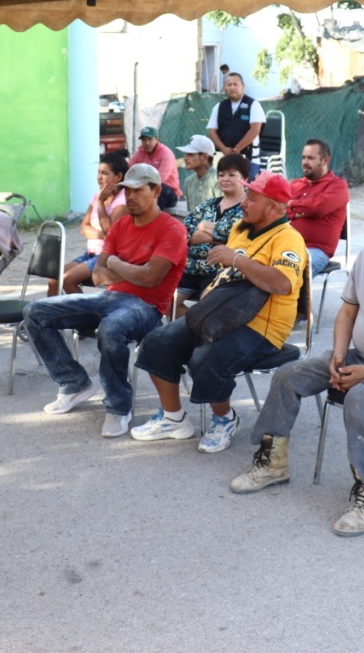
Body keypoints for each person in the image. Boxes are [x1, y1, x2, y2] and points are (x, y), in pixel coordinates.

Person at [230, 185, 364, 536]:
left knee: (360, 397)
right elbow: (347, 311)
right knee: (288, 375)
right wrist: (337, 355)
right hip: (358, 356)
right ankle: (273, 464)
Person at [131, 171, 307, 453]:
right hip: (221, 313)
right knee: (157, 341)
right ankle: (173, 418)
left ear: (274, 207)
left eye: (252, 198)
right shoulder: (240, 228)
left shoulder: (289, 239)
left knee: (206, 358)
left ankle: (225, 419)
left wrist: (235, 259)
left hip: (262, 327)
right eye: (247, 195)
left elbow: (282, 283)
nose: (244, 202)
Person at [24, 164, 188, 438]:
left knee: (111, 328)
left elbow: (151, 279)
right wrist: (132, 269)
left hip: (146, 307)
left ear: (156, 191)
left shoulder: (172, 229)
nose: (131, 196)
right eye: (127, 191)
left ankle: (118, 407)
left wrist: (115, 263)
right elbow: (99, 275)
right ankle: (73, 383)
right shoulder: (121, 225)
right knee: (34, 311)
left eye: (138, 190)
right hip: (109, 297)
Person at [174, 154, 250, 317]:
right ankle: (191, 325)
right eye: (221, 175)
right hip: (191, 268)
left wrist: (203, 226)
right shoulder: (208, 204)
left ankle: (195, 325)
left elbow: (236, 235)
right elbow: (183, 231)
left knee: (207, 309)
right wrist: (220, 235)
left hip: (221, 271)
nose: (225, 179)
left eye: (232, 175)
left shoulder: (248, 208)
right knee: (164, 300)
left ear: (245, 178)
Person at [49, 152, 128, 296]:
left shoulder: (122, 201)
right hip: (90, 254)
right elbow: (84, 228)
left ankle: (83, 310)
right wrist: (101, 234)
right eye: (98, 172)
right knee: (54, 279)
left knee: (67, 280)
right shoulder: (97, 195)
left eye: (105, 173)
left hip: (107, 256)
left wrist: (100, 203)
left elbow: (110, 232)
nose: (99, 177)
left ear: (118, 177)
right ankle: (49, 310)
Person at [287, 138, 350, 276]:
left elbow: (318, 207)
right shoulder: (296, 184)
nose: (305, 162)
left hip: (316, 250)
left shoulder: (338, 185)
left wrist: (292, 204)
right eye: (303, 157)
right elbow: (279, 208)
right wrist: (300, 210)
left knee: (288, 272)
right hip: (287, 245)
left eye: (310, 158)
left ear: (325, 160)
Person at [207, 72, 265, 162]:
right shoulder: (219, 106)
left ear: (243, 86)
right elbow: (212, 132)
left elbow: (255, 130)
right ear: (225, 87)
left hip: (248, 158)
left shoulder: (253, 105)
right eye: (229, 85)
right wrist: (224, 149)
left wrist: (236, 150)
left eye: (235, 84)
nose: (232, 87)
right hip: (222, 156)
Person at [128, 127, 181, 209]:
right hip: (145, 189)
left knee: (159, 189)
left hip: (168, 191)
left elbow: (160, 178)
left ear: (157, 140)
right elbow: (130, 172)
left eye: (150, 139)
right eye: (144, 140)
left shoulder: (166, 153)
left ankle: (154, 216)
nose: (147, 143)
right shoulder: (139, 153)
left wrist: (141, 185)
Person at [177, 134, 220, 205]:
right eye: (186, 154)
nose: (185, 158)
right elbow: (191, 210)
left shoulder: (219, 179)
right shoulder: (189, 181)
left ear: (205, 157)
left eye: (190, 154)